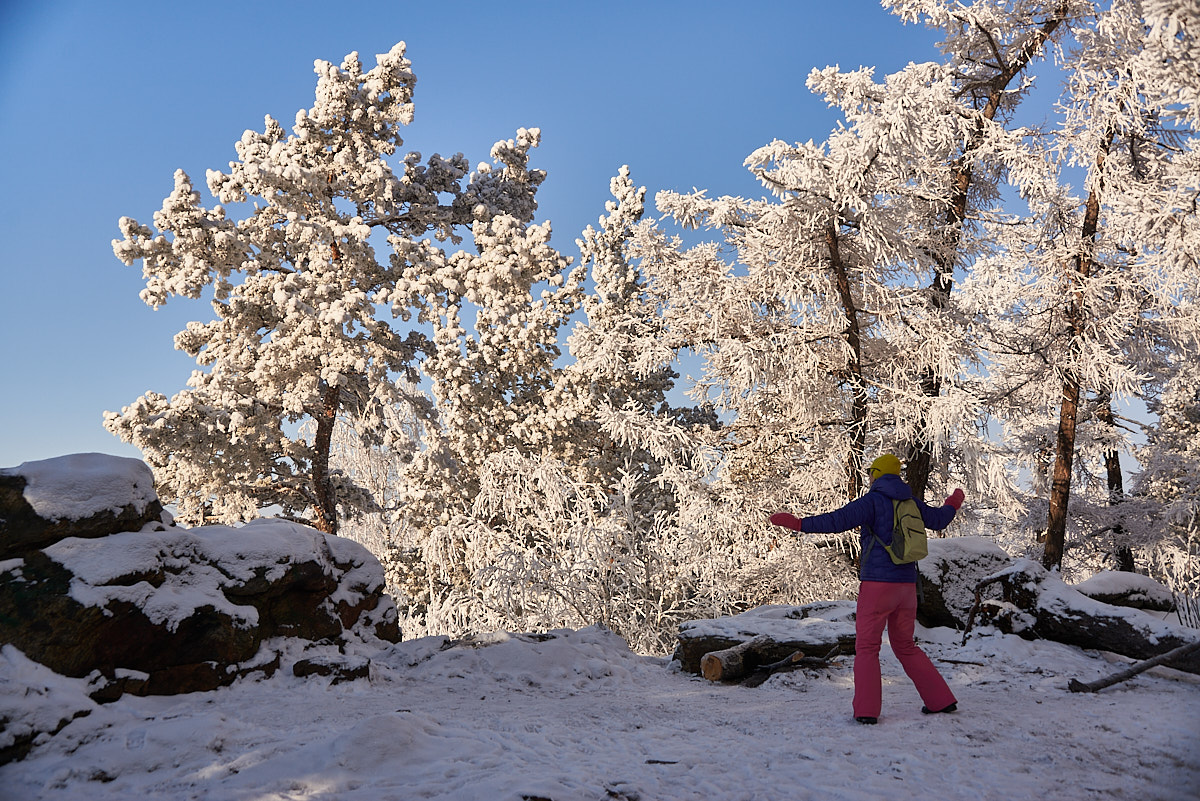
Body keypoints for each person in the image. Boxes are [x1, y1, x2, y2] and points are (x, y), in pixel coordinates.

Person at [768, 453, 965, 725]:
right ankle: (941, 700)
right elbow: (940, 519)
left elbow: (837, 520)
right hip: (907, 587)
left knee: (868, 648)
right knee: (906, 646)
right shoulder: (911, 503)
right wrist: (953, 502)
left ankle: (867, 710)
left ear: (876, 474)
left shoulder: (873, 501)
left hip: (877, 586)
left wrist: (800, 524)